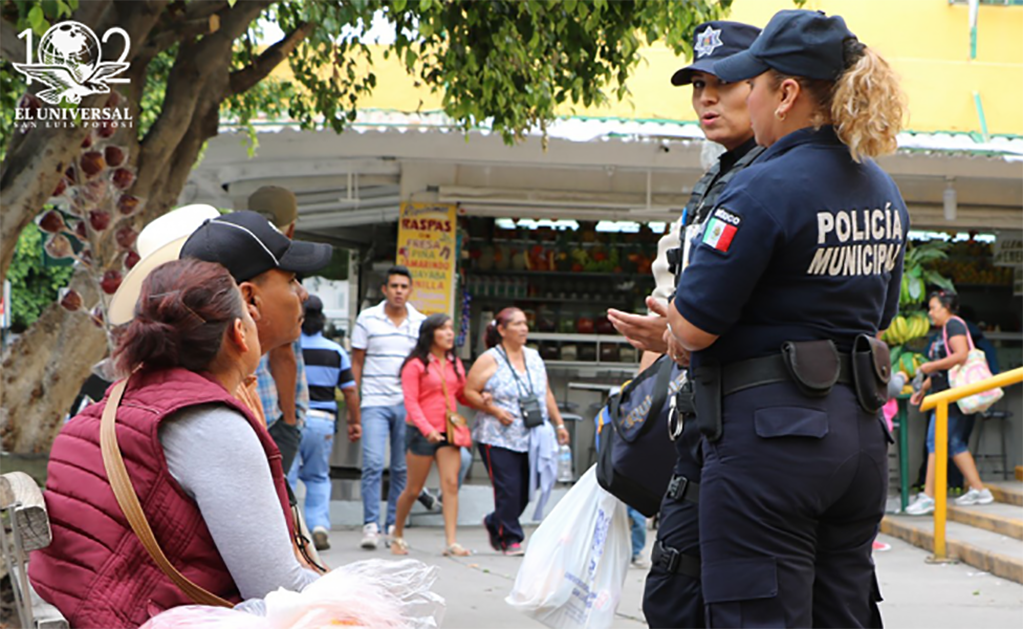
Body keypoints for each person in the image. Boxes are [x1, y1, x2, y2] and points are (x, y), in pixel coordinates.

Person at [665, 10, 908, 627]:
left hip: (771, 449)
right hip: (858, 441)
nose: (752, 97)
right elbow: (877, 316)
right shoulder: (881, 189)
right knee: (841, 612)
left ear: (788, 92)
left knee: (756, 614)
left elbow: (693, 328)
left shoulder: (760, 189)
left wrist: (670, 329)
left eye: (759, 83)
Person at [30, 260, 320, 628]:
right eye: (248, 315)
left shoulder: (99, 414)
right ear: (239, 334)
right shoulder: (213, 425)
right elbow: (279, 593)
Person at [605, 20, 763, 629]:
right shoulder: (710, 186)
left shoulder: (770, 183)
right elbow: (668, 304)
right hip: (694, 419)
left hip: (746, 426)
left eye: (723, 83)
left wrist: (678, 339)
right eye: (697, 84)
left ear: (770, 88)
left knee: (711, 594)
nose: (706, 97)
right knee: (675, 592)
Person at [464, 307, 570, 556]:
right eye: (517, 324)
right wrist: (494, 410)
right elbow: (469, 392)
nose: (524, 328)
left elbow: (545, 393)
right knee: (508, 488)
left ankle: (494, 522)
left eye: (525, 323)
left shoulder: (533, 357)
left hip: (531, 435)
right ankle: (511, 538)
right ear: (502, 330)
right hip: (497, 435)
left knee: (524, 490)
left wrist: (559, 424)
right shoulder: (490, 359)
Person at [350, 266, 425, 549]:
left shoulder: (420, 323)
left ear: (410, 290)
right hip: (373, 401)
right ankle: (371, 525)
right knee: (371, 463)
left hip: (407, 404)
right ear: (384, 290)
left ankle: (395, 524)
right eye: (394, 286)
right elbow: (356, 362)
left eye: (404, 287)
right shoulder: (367, 319)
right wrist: (353, 404)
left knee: (401, 467)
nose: (398, 291)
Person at [391, 314, 475, 557]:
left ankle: (451, 542)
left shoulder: (454, 363)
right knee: (414, 489)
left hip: (449, 431)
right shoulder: (415, 364)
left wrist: (481, 399)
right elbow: (411, 402)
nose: (450, 333)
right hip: (421, 432)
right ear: (430, 334)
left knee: (450, 485)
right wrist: (427, 429)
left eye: (451, 328)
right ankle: (397, 533)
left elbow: (460, 395)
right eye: (443, 329)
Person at [906, 290, 994, 515]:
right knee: (954, 444)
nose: (930, 313)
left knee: (935, 442)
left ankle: (928, 496)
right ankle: (979, 490)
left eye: (934, 308)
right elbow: (944, 367)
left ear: (946, 308)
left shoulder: (954, 325)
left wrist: (929, 367)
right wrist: (924, 389)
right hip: (945, 393)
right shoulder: (945, 330)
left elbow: (961, 355)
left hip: (951, 396)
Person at [250, 185, 311, 475]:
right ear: (292, 229)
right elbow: (283, 354)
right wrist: (288, 421)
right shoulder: (276, 270)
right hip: (271, 412)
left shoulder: (235, 262)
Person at [292, 295, 362, 551]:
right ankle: (319, 525)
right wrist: (355, 422)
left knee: (286, 476)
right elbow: (351, 391)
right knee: (318, 477)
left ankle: (290, 528)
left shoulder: (288, 347)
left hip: (291, 419)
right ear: (322, 320)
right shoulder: (335, 351)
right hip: (322, 422)